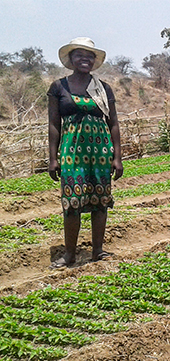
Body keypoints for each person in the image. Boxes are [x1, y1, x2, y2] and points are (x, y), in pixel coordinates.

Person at [47, 37, 123, 268]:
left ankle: (97, 250)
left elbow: (114, 124)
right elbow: (53, 124)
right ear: (70, 59)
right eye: (80, 55)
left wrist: (117, 156)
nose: (85, 59)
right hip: (72, 152)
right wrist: (52, 158)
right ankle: (70, 253)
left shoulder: (102, 88)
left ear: (94, 61)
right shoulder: (59, 87)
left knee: (100, 200)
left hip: (100, 152)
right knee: (72, 201)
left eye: (89, 56)